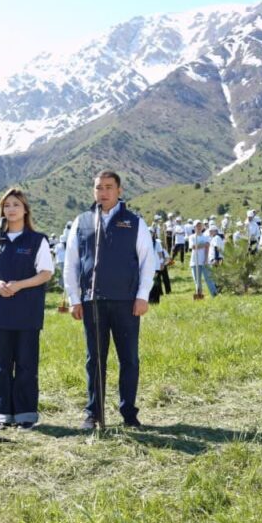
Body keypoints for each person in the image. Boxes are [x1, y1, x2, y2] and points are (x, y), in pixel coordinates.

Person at [63, 170, 154, 429]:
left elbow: (148, 261)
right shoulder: (82, 222)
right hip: (93, 302)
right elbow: (71, 262)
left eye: (109, 187)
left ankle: (129, 413)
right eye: (98, 187)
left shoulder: (134, 222)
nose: (103, 192)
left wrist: (142, 296)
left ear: (119, 190)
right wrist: (74, 298)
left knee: (129, 359)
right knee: (94, 359)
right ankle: (94, 414)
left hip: (127, 302)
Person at [0, 188, 54, 430]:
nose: (11, 209)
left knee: (25, 365)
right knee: (1, 367)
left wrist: (20, 284)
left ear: (25, 210)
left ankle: (26, 414)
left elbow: (46, 273)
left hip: (27, 313)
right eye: (6, 205)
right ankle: (4, 415)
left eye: (16, 204)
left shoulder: (37, 240)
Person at [189, 220, 217, 297]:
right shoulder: (192, 237)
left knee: (209, 279)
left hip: (204, 261)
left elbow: (207, 247)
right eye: (197, 226)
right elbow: (193, 247)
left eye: (200, 225)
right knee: (197, 281)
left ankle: (214, 294)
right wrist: (203, 245)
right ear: (194, 227)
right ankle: (199, 294)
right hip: (195, 262)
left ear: (202, 227)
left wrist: (206, 259)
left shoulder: (205, 237)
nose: (199, 227)